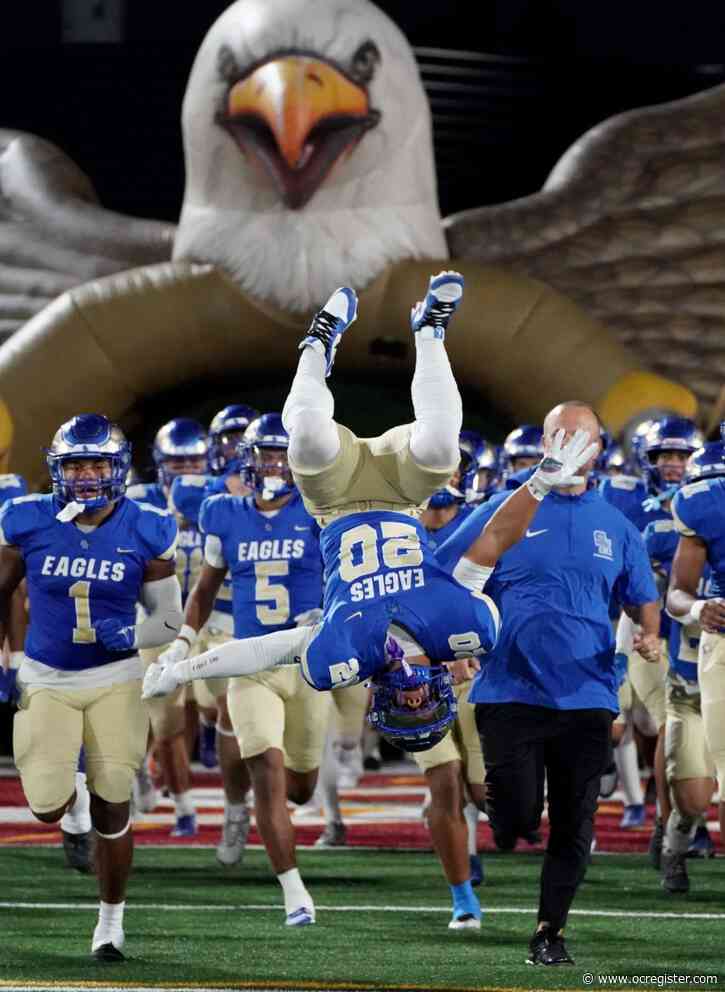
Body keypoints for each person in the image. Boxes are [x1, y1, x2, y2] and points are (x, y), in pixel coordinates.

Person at [143, 271, 597, 925]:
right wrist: (539, 486)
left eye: (402, 700)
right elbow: (490, 542)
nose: (412, 688)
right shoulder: (461, 627)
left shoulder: (345, 652)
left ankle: (317, 342)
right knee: (443, 440)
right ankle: (430, 330)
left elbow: (266, 647)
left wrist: (182, 667)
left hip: (334, 502)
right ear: (435, 690)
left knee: (304, 435)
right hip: (400, 491)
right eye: (422, 698)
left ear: (385, 694)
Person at [436, 400, 661, 966]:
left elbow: (642, 598)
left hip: (587, 693)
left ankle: (548, 932)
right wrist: (450, 646)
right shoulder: (503, 509)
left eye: (579, 439)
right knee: (514, 818)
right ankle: (510, 820)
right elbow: (445, 572)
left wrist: (648, 636)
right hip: (508, 688)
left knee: (575, 822)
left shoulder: (616, 524)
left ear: (598, 449)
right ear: (543, 444)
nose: (568, 448)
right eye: (559, 437)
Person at [0, 413, 181, 961]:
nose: (84, 476)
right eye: (75, 465)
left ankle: (110, 923)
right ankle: (69, 807)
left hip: (115, 676)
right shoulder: (27, 519)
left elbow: (168, 620)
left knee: (114, 802)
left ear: (118, 468)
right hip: (47, 674)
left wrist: (131, 631)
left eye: (96, 464)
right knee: (46, 804)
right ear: (57, 469)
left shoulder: (146, 526)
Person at [161, 412, 327, 924]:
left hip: (309, 662)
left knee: (301, 786)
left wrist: (331, 611)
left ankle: (272, 827)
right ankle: (293, 890)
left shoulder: (321, 510)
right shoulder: (224, 512)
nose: (274, 463)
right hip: (251, 661)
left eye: (283, 454)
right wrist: (184, 639)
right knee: (269, 773)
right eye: (265, 454)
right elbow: (207, 586)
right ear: (246, 460)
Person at [169, 402, 258, 864]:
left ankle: (235, 801)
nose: (238, 448)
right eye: (229, 438)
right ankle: (233, 800)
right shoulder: (203, 492)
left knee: (226, 706)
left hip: (255, 622)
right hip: (212, 619)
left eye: (247, 439)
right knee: (211, 708)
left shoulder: (286, 490)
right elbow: (189, 495)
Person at [128, 417, 209, 836]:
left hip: (208, 626)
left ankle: (158, 770)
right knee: (166, 722)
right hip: (158, 624)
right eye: (178, 463)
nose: (187, 471)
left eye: (194, 461)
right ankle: (184, 806)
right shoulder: (139, 502)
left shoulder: (217, 500)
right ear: (160, 464)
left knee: (197, 715)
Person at [666, 430, 725, 876]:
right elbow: (677, 595)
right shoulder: (704, 502)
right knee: (696, 794)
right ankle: (674, 843)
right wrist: (700, 607)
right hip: (711, 653)